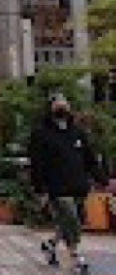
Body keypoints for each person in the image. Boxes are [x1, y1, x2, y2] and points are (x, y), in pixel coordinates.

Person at [30, 93, 105, 274]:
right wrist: (40, 189)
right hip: (56, 187)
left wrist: (102, 179)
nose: (62, 107)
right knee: (71, 218)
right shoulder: (41, 133)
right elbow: (37, 163)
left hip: (79, 186)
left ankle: (50, 244)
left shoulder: (77, 132)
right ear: (50, 108)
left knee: (67, 221)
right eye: (57, 104)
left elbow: (90, 158)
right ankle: (76, 256)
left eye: (65, 104)